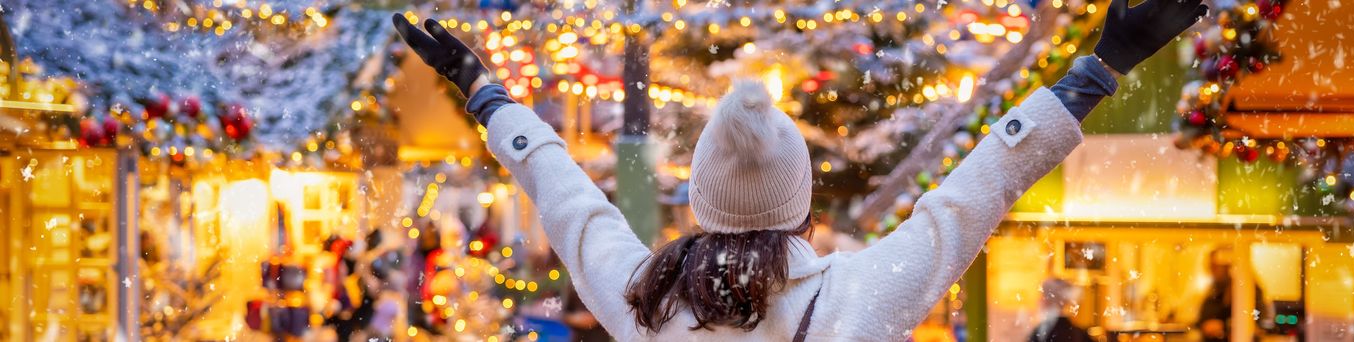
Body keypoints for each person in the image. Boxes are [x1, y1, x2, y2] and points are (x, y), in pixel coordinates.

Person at [391, 0, 1206, 339]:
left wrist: (485, 92)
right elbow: (974, 190)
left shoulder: (649, 306)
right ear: (802, 200)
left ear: (704, 201)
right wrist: (1097, 69)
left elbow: (570, 202)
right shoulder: (859, 299)